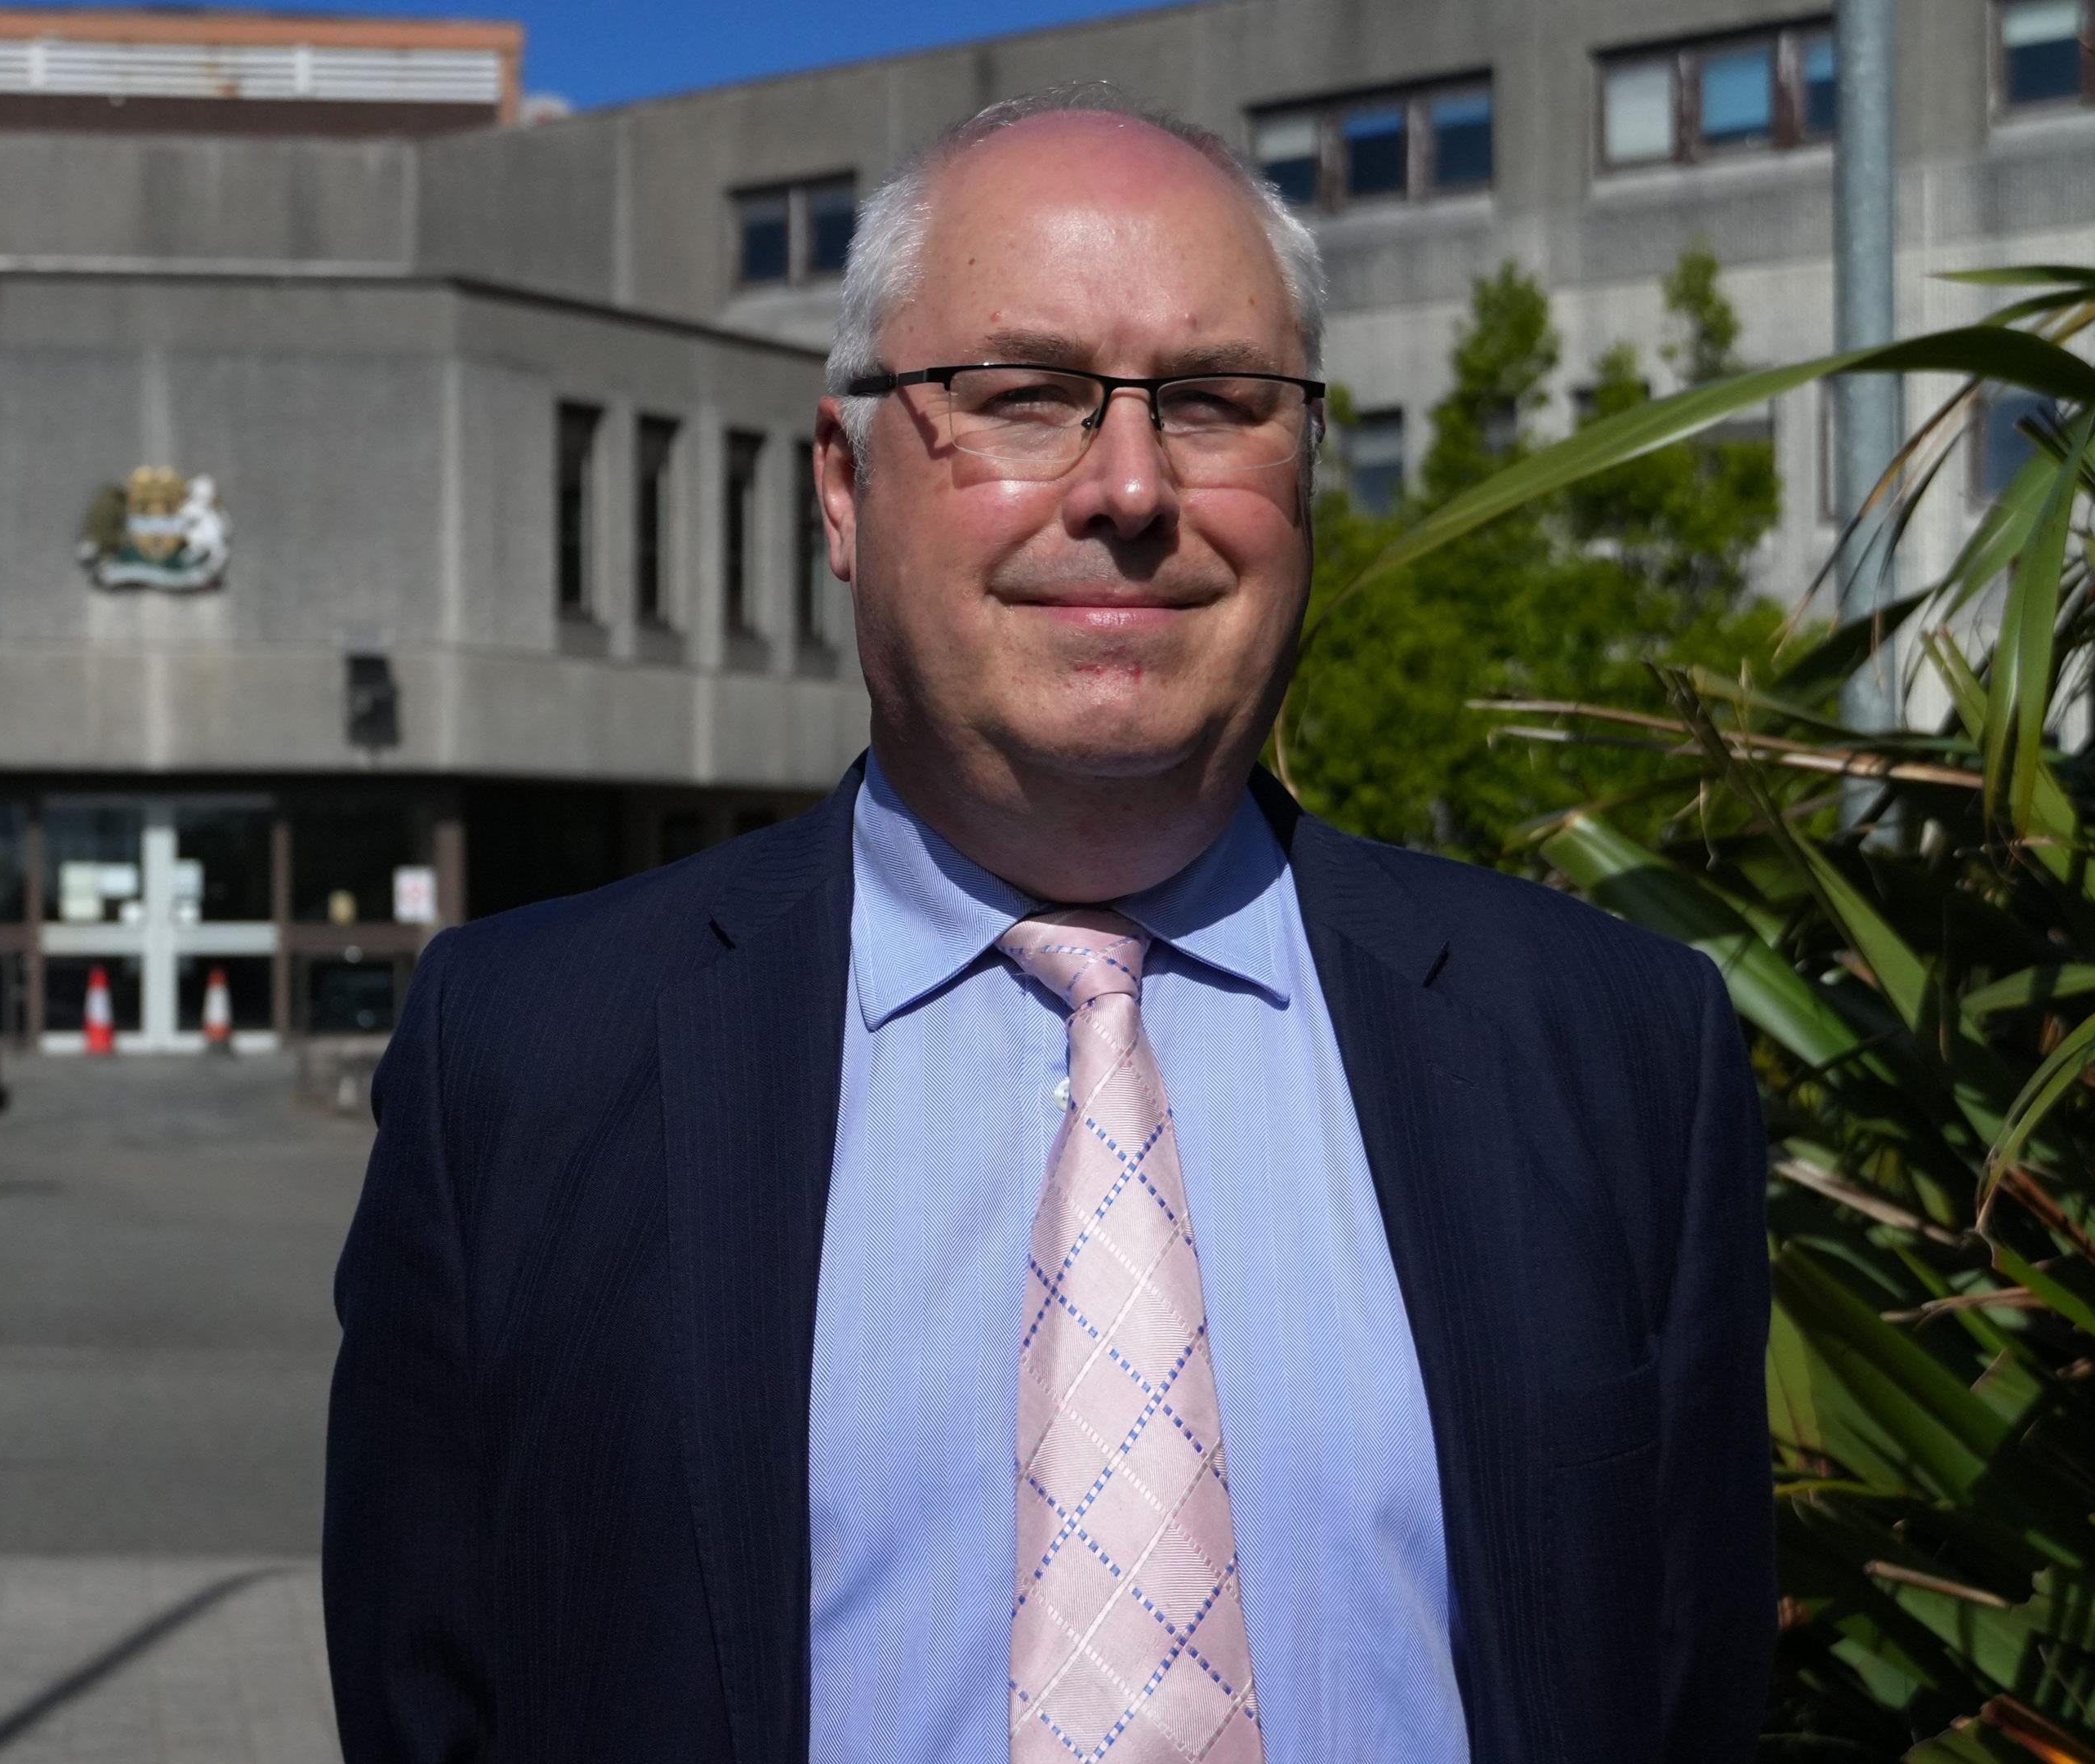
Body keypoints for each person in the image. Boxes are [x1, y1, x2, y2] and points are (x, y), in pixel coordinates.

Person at [323, 82, 1771, 1764]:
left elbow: (1681, 1686)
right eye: (1026, 398)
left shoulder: (1613, 1049)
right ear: (844, 489)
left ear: (1307, 476)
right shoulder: (525, 1053)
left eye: (1220, 403)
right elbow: (433, 1702)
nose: (1133, 487)